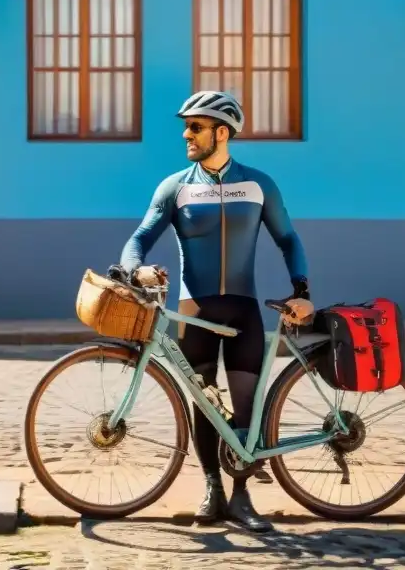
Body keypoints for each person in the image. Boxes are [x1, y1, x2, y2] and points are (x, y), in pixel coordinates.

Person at [108, 90, 311, 534]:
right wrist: (134, 270)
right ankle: (211, 488)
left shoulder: (258, 184)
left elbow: (288, 238)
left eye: (195, 126)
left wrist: (301, 289)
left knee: (243, 409)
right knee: (204, 406)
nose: (186, 134)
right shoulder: (175, 187)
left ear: (223, 132)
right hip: (193, 310)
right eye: (186, 126)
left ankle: (242, 499)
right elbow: (140, 237)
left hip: (243, 311)